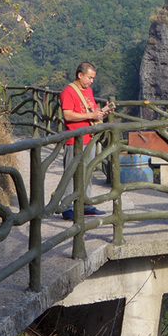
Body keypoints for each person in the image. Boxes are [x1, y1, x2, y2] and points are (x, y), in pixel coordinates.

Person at [60, 62, 113, 219]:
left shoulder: (88, 91)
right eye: (89, 77)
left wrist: (102, 111)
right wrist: (91, 115)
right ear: (80, 75)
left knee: (87, 171)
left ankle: (86, 204)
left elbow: (91, 111)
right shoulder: (68, 92)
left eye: (93, 78)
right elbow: (68, 115)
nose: (91, 81)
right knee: (71, 173)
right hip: (74, 140)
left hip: (88, 138)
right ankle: (67, 206)